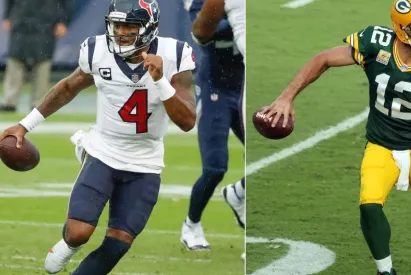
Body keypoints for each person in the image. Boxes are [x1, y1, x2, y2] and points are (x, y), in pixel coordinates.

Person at [262, 0, 411, 274]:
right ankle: (385, 271)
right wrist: (286, 97)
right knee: (370, 206)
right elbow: (323, 59)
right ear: (403, 28)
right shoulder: (376, 43)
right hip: (380, 146)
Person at [0, 0, 196, 274]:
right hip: (103, 151)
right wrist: (25, 125)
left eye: (130, 26)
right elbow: (68, 88)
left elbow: (187, 121)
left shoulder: (175, 53)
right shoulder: (98, 50)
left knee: (119, 242)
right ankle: (68, 246)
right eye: (117, 26)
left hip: (146, 161)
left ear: (150, 28)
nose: (121, 33)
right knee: (78, 233)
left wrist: (160, 79)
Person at [180, 0, 245, 253]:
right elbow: (204, 32)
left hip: (243, 87)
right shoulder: (203, 4)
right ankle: (191, 224)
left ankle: (238, 193)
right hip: (214, 90)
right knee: (215, 167)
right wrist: (238, 19)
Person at [0, 0, 70, 112]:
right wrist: (7, 16)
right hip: (20, 20)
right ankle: (10, 102)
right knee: (15, 60)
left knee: (43, 63)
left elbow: (66, 2)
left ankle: (39, 103)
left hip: (46, 22)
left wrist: (63, 21)